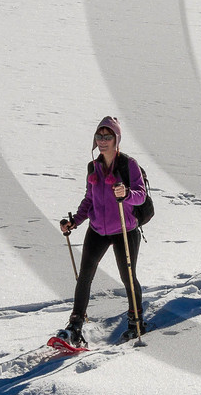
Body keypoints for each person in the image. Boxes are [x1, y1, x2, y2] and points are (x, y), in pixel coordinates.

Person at [53, 116, 146, 347]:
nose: (102, 141)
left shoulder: (128, 164)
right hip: (97, 229)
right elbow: (89, 200)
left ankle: (136, 321)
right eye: (99, 136)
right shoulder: (92, 167)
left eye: (107, 136)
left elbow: (141, 195)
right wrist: (74, 221)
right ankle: (75, 326)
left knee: (127, 276)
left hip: (125, 228)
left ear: (116, 139)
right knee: (85, 276)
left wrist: (126, 194)